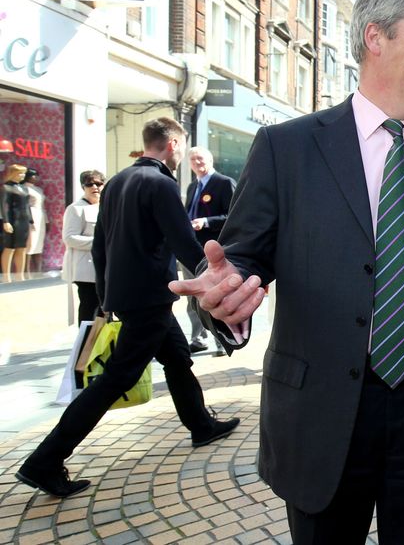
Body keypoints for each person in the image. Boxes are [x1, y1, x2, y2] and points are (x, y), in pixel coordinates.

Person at [170, 0, 404, 544]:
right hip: (320, 415)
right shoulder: (287, 148)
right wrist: (226, 301)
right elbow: (238, 263)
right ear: (376, 37)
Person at [15, 118, 240, 498]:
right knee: (114, 379)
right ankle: (45, 460)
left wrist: (106, 296)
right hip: (151, 296)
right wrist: (212, 281)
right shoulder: (161, 183)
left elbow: (101, 244)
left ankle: (200, 424)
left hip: (132, 295)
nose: (182, 153)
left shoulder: (117, 181)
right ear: (171, 144)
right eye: (182, 146)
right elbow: (184, 242)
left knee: (178, 358)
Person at [182, 146, 236, 354]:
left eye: (201, 158)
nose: (198, 163)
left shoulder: (223, 183)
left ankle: (221, 340)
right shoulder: (191, 187)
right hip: (192, 250)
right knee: (192, 296)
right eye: (193, 160)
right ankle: (198, 338)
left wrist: (206, 222)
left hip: (213, 251)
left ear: (211, 160)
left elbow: (233, 216)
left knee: (214, 296)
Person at [61, 170, 105, 323]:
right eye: (90, 184)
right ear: (83, 186)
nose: (95, 187)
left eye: (99, 183)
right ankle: (85, 343)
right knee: (88, 306)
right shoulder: (75, 208)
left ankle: (101, 344)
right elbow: (69, 237)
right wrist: (99, 242)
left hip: (104, 267)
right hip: (85, 269)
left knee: (104, 309)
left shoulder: (105, 206)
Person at [1, 163, 32, 282]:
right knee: (10, 247)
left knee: (22, 248)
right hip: (13, 219)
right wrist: (6, 221)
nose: (22, 175)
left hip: (24, 220)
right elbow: (3, 206)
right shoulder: (6, 187)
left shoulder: (24, 188)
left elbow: (27, 204)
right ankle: (6, 276)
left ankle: (20, 275)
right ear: (13, 173)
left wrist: (30, 219)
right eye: (20, 173)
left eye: (23, 173)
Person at [24, 167, 47, 274]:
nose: (35, 177)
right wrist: (29, 220)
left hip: (40, 216)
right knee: (30, 243)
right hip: (30, 216)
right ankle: (26, 271)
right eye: (33, 175)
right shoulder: (24, 189)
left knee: (39, 244)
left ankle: (38, 270)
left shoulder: (39, 189)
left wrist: (46, 220)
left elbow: (42, 206)